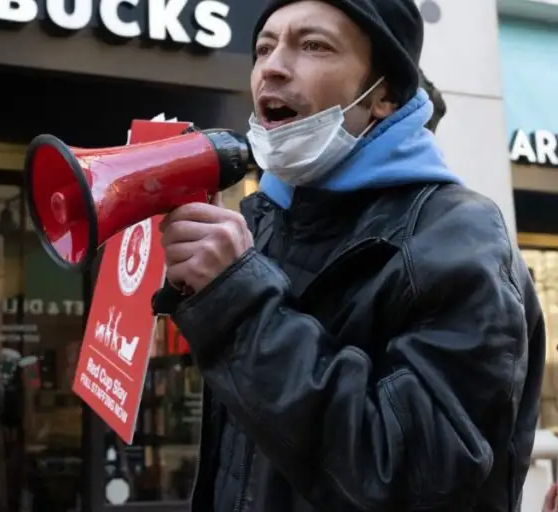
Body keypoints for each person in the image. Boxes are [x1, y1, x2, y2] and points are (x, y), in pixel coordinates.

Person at [153, 0, 545, 510]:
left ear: (382, 94)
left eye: (314, 45)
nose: (271, 66)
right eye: (263, 47)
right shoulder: (269, 221)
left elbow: (412, 478)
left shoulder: (457, 237)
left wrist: (240, 307)